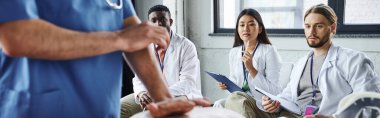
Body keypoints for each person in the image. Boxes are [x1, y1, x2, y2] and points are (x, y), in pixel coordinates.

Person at [0, 0, 210, 118]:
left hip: (100, 107)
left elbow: (134, 34)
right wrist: (119, 39)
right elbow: (17, 35)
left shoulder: (185, 46)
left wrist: (165, 100)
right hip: (39, 109)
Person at [226, 4, 380, 118]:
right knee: (236, 99)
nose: (311, 32)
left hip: (324, 116)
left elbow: (370, 102)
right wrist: (274, 102)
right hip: (292, 113)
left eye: (318, 26)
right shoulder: (301, 63)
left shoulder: (353, 60)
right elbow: (287, 96)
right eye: (307, 26)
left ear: (332, 28)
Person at [120, 5, 203, 117]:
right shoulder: (146, 45)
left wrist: (158, 94)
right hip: (150, 94)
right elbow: (138, 78)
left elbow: (188, 82)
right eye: (153, 21)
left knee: (153, 109)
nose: (158, 24)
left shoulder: (186, 46)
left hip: (181, 94)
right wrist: (141, 93)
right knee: (121, 107)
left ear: (171, 22)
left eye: (163, 19)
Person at [214, 8, 282, 110]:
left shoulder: (269, 51)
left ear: (260, 29)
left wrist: (252, 69)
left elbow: (275, 90)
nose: (246, 28)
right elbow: (235, 80)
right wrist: (226, 85)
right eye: (242, 25)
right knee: (218, 104)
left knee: (241, 104)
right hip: (239, 99)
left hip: (261, 103)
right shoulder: (234, 52)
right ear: (237, 29)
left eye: (251, 24)